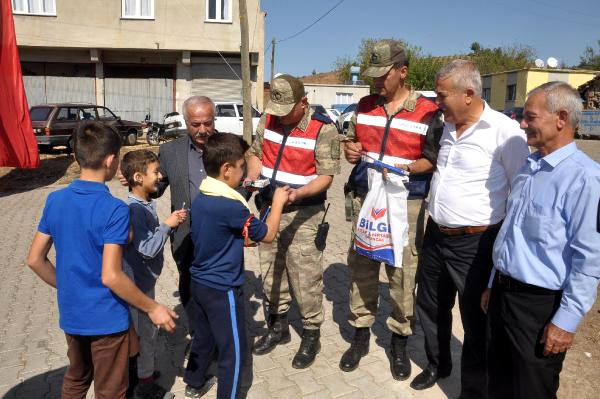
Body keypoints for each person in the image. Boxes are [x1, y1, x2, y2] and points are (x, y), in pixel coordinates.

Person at [26, 122, 178, 399]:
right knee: (111, 389)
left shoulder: (54, 200)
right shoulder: (115, 210)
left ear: (76, 157)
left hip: (72, 313)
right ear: (111, 160)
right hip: (107, 319)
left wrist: (69, 287)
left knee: (76, 378)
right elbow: (111, 275)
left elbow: (35, 260)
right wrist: (152, 307)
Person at [412, 60, 529, 396]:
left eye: (441, 95)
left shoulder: (505, 133)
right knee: (431, 305)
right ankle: (438, 364)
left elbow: (518, 193)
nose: (437, 102)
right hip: (436, 234)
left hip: (476, 244)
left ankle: (474, 391)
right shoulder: (445, 124)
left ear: (468, 93)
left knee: (477, 322)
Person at [481, 82, 600, 399]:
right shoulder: (528, 167)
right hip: (503, 297)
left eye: (529, 117)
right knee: (499, 383)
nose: (521, 124)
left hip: (540, 307)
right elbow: (512, 235)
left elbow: (589, 260)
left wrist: (566, 321)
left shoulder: (585, 179)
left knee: (532, 389)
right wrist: (494, 282)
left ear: (560, 118)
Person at [341, 39, 443, 379]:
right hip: (366, 198)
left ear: (403, 71)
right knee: (362, 267)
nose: (375, 82)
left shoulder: (429, 111)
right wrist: (351, 151)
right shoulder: (365, 104)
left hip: (406, 202)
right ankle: (360, 335)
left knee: (402, 274)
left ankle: (399, 340)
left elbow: (434, 158)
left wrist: (409, 169)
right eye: (372, 76)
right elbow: (352, 141)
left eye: (382, 75)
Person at [184, 133, 289, 399]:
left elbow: (219, 233)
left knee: (204, 337)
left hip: (199, 283)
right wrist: (276, 202)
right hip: (223, 289)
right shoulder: (231, 206)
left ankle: (194, 383)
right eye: (242, 167)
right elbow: (266, 234)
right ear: (226, 169)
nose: (244, 173)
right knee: (233, 352)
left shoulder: (204, 193)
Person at [246, 74, 341, 369]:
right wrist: (252, 175)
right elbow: (255, 153)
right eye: (277, 109)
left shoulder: (322, 129)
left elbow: (326, 177)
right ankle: (279, 327)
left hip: (304, 213)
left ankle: (311, 333)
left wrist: (296, 195)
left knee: (304, 277)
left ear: (303, 102)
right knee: (271, 271)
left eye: (288, 110)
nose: (281, 116)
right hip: (268, 209)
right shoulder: (269, 119)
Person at [121, 150, 188, 399]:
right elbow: (147, 249)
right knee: (144, 336)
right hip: (136, 286)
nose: (160, 176)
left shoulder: (144, 203)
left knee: (145, 335)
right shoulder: (135, 210)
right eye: (156, 172)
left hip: (143, 280)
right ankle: (143, 386)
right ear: (138, 177)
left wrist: (168, 224)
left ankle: (141, 376)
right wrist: (167, 225)